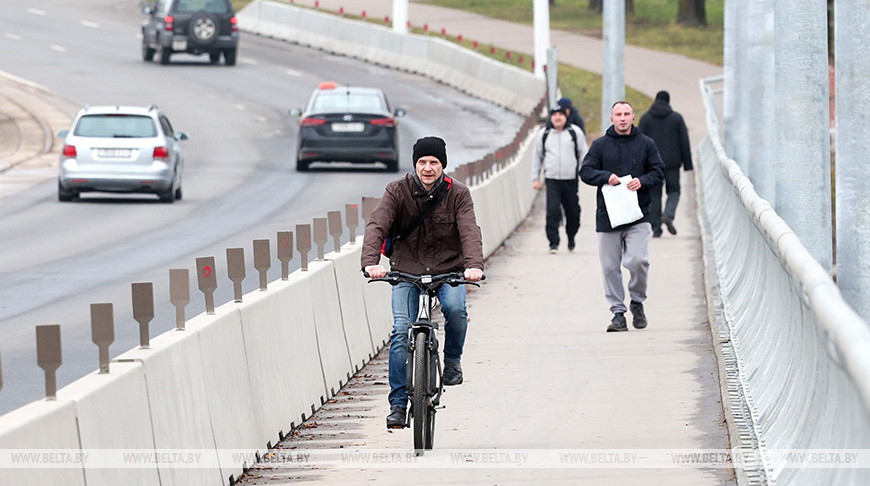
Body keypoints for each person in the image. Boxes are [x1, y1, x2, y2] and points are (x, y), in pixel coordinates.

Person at [361, 136, 485, 429]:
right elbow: (377, 224)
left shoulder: (459, 194)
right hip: (406, 270)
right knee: (401, 330)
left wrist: (473, 266)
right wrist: (370, 263)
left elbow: (469, 230)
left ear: (443, 165)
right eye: (422, 162)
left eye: (434, 162)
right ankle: (398, 404)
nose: (427, 168)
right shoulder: (396, 191)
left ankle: (452, 359)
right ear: (415, 164)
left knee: (455, 310)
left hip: (448, 270)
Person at [579, 101, 665, 332]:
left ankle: (637, 300)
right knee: (610, 267)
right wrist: (606, 177)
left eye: (627, 114)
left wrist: (643, 181)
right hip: (608, 217)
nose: (623, 118)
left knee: (638, 261)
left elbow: (658, 171)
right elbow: (585, 172)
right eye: (618, 114)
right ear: (612, 118)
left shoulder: (646, 144)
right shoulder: (600, 146)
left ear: (633, 117)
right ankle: (618, 313)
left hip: (638, 215)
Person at [532, 105, 588, 254]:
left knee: (573, 212)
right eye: (554, 115)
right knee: (552, 211)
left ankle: (571, 237)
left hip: (571, 179)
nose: (557, 117)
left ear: (566, 116)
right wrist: (535, 178)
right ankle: (553, 243)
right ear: (551, 117)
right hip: (552, 180)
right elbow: (537, 157)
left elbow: (584, 154)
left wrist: (586, 173)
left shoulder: (574, 133)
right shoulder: (544, 134)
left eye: (560, 115)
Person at [638, 90, 693, 237]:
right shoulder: (676, 118)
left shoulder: (645, 119)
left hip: (651, 165)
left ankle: (656, 229)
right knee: (674, 191)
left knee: (654, 196)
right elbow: (684, 142)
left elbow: (639, 143)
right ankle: (668, 215)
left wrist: (638, 164)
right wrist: (688, 164)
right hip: (672, 164)